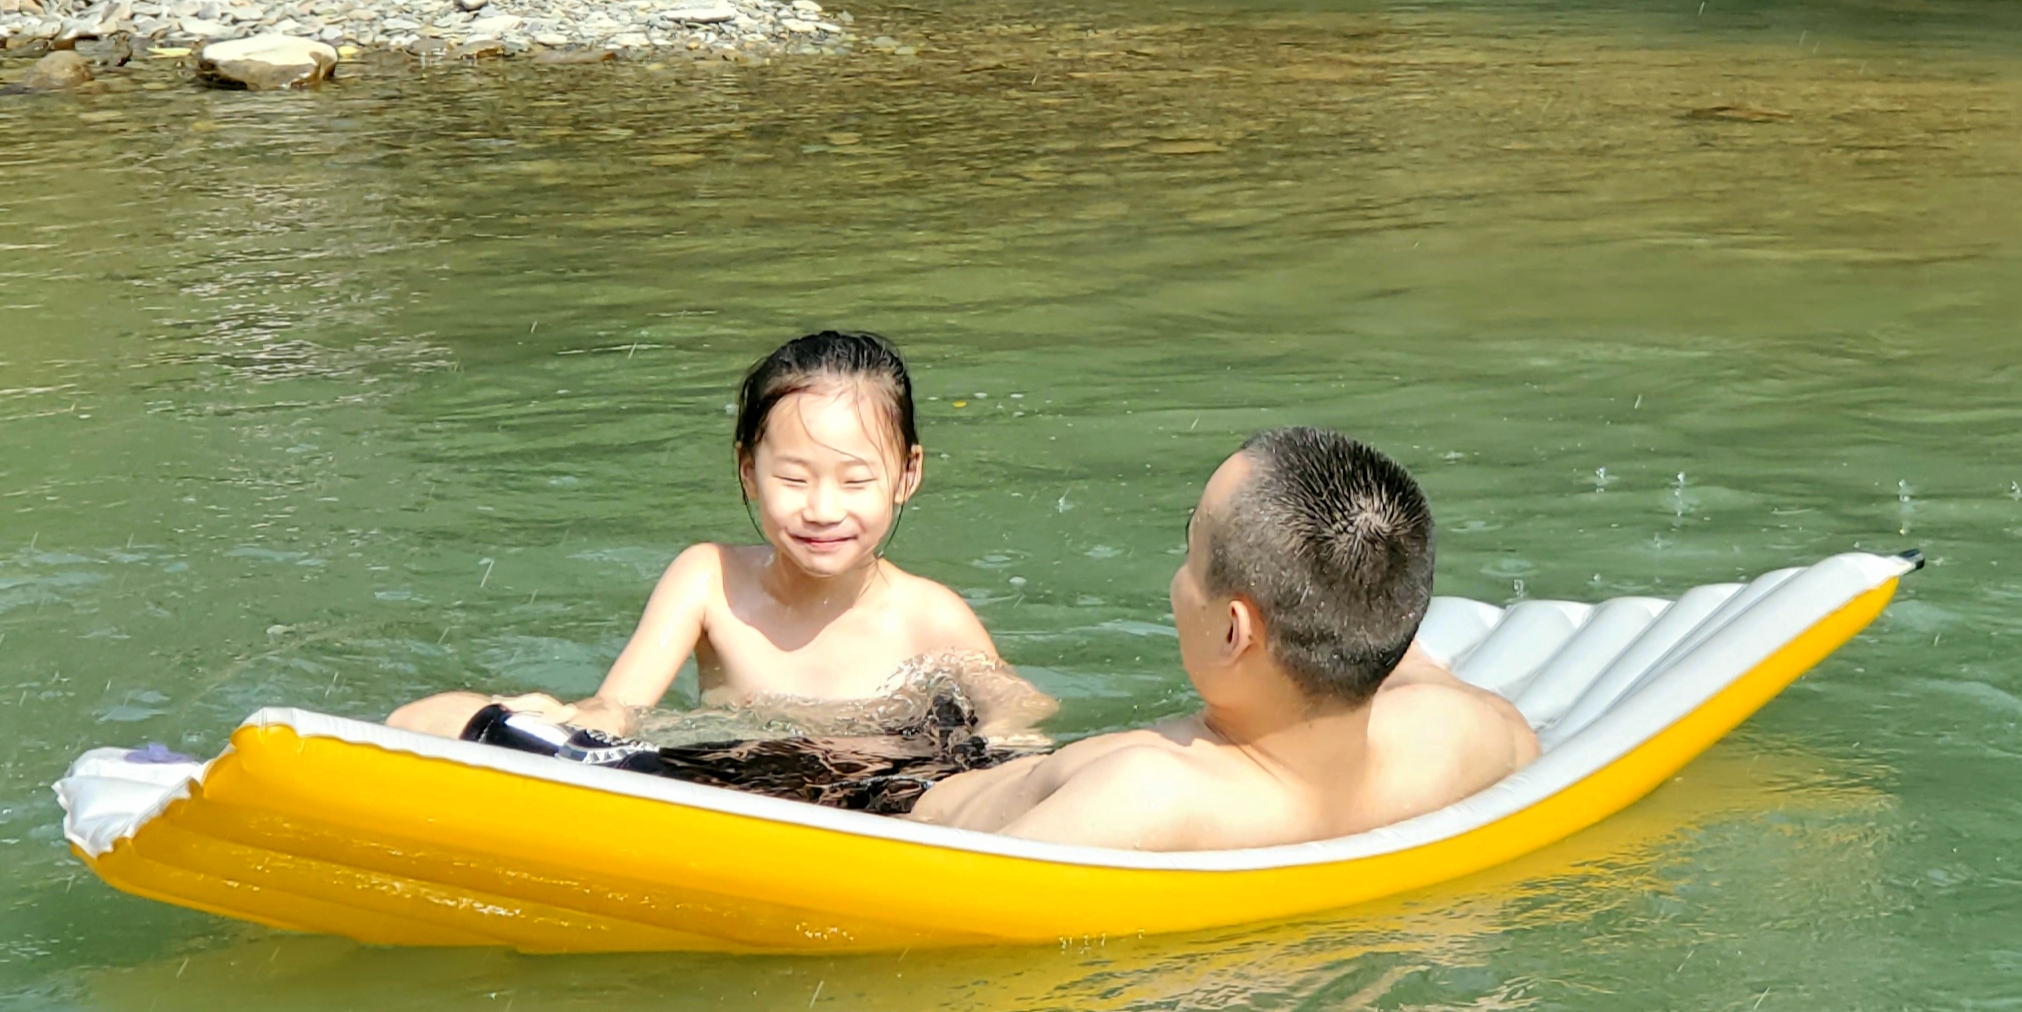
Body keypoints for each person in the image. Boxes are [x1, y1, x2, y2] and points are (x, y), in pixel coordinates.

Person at [387, 331, 1047, 746]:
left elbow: (1019, 710)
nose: (822, 509)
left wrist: (998, 740)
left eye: (855, 481)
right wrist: (563, 723)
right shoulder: (709, 579)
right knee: (427, 718)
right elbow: (619, 705)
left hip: (879, 801)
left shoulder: (929, 614)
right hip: (730, 784)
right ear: (748, 471)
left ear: (907, 475)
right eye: (793, 478)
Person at [909, 427, 1537, 850]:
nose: (1177, 580)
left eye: (1191, 549)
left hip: (898, 798)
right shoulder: (1465, 733)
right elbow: (1434, 681)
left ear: (1235, 632)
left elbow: (950, 891)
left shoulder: (1148, 792)